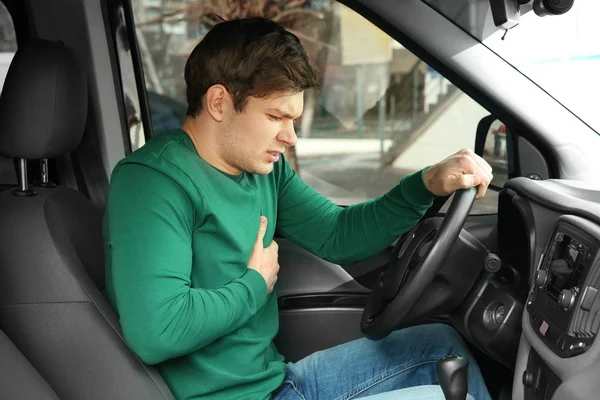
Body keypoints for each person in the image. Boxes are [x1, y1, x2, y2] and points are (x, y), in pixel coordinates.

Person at [103, 17, 493, 400]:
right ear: (219, 102)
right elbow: (158, 330)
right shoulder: (153, 183)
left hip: (278, 382)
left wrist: (425, 184)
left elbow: (338, 233)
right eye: (275, 116)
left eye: (293, 119)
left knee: (443, 345)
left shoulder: (262, 171)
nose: (289, 137)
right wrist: (254, 285)